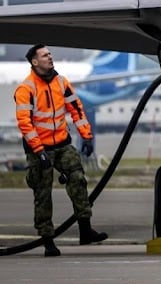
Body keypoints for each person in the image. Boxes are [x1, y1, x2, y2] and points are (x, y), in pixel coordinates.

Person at [14, 44, 108, 257]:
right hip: (39, 148)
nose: (50, 57)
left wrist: (86, 135)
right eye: (45, 55)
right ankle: (48, 240)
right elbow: (25, 124)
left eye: (50, 54)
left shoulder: (61, 82)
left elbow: (76, 109)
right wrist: (39, 151)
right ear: (35, 62)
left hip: (62, 144)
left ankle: (86, 231)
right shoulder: (26, 89)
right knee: (43, 193)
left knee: (78, 178)